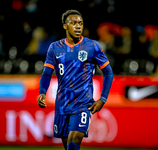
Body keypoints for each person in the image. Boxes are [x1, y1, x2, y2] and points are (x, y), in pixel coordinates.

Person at [37, 10, 113, 150]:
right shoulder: (55, 48)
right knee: (68, 146)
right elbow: (47, 73)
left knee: (73, 142)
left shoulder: (93, 46)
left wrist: (103, 98)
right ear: (65, 26)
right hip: (62, 104)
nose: (78, 26)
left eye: (80, 23)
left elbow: (108, 72)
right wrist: (42, 92)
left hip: (82, 104)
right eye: (74, 23)